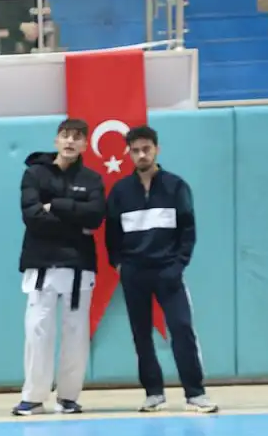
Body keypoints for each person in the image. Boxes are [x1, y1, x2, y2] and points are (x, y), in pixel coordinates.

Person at [105, 125, 218, 414]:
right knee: (141, 334)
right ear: (129, 154)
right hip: (134, 274)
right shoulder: (120, 191)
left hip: (169, 272)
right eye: (135, 150)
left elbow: (188, 231)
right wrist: (120, 264)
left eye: (146, 149)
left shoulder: (176, 186)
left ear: (157, 149)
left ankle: (195, 393)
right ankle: (153, 393)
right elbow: (112, 234)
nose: (141, 155)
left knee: (181, 329)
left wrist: (178, 265)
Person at [12, 117, 105, 416]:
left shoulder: (92, 179)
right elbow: (33, 217)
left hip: (79, 266)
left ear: (85, 144)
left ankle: (68, 397)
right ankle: (34, 397)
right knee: (38, 330)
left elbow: (95, 217)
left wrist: (57, 206)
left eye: (77, 137)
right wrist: (76, 223)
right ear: (56, 140)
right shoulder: (35, 174)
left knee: (76, 333)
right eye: (65, 135)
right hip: (42, 264)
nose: (70, 141)